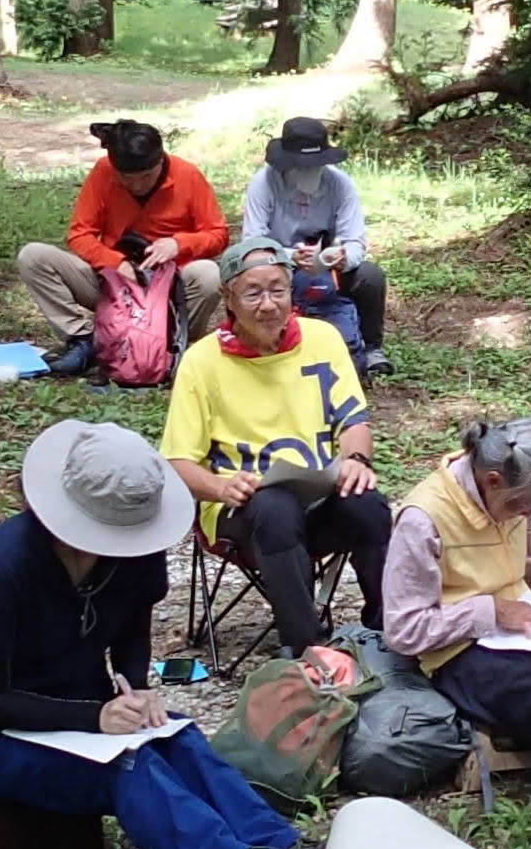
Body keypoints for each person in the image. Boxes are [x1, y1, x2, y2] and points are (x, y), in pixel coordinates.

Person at [0, 420, 319, 849]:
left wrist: (135, 689)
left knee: (178, 739)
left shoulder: (137, 553)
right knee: (128, 769)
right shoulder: (1, 569)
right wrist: (95, 718)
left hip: (84, 713)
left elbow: (132, 627)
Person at [378, 418, 531, 846]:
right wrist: (490, 611)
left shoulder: (516, 497)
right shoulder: (424, 519)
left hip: (528, 629)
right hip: (460, 652)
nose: (529, 513)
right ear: (491, 480)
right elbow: (404, 629)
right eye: (522, 505)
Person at [159, 244, 387, 660]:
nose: (268, 305)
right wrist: (221, 487)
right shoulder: (201, 361)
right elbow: (177, 462)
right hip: (241, 509)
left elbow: (354, 421)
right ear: (228, 298)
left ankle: (389, 633)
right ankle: (308, 649)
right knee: (274, 506)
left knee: (367, 503)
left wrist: (356, 461)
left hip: (317, 499)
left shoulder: (322, 339)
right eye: (253, 293)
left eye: (278, 290)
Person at [19, 119, 229, 379]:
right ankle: (85, 341)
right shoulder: (103, 171)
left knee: (208, 274)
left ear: (161, 160)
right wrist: (115, 263)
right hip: (114, 287)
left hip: (169, 294)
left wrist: (178, 244)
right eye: (127, 179)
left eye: (146, 176)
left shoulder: (187, 175)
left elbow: (218, 234)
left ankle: (171, 342)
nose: (138, 186)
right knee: (33, 256)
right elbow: (80, 234)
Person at [239, 114, 389, 373]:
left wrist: (342, 257)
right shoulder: (264, 183)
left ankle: (370, 347)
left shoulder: (340, 184)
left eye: (315, 165)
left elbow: (355, 241)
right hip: (278, 265)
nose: (308, 171)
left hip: (328, 267)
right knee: (250, 279)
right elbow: (252, 242)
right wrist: (289, 256)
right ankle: (264, 342)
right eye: (301, 166)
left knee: (370, 277)